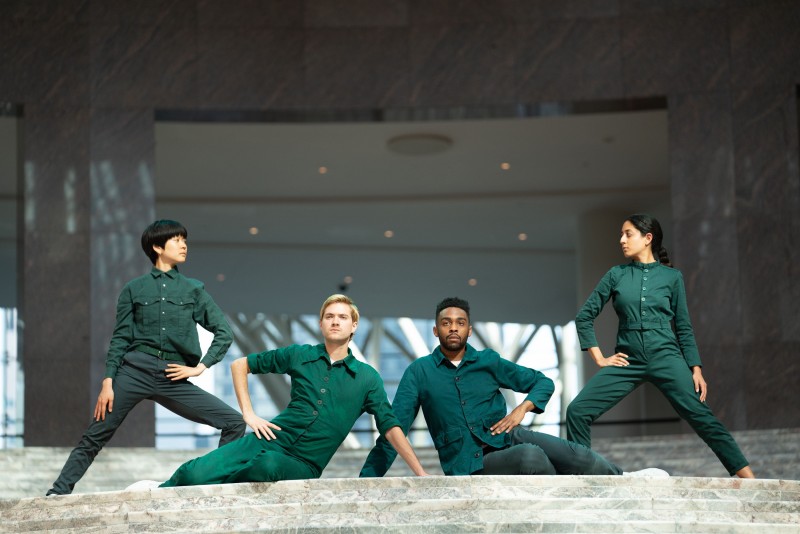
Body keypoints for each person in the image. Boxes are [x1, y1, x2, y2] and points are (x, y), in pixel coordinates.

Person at [47, 220, 246, 496]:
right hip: (133, 371)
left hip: (172, 375)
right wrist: (108, 382)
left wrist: (200, 368)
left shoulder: (193, 290)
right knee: (95, 435)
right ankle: (58, 491)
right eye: (177, 240)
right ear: (157, 246)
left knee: (234, 422)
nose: (184, 245)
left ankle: (216, 488)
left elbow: (224, 332)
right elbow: (120, 338)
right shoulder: (134, 289)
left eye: (184, 240)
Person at [155, 294, 430, 488]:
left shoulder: (367, 378)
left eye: (343, 317)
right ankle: (158, 492)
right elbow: (240, 365)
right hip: (269, 438)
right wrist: (248, 415)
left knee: (266, 467)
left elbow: (390, 426)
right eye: (329, 317)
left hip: (305, 463)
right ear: (320, 324)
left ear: (353, 325)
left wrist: (420, 472)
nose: (336, 321)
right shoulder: (300, 354)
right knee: (194, 473)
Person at [360, 297, 640, 478]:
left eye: (460, 323)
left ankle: (625, 479)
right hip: (469, 463)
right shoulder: (418, 372)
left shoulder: (488, 361)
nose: (453, 328)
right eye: (446, 324)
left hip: (509, 436)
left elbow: (542, 382)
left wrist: (521, 409)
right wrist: (367, 481)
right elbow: (393, 428)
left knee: (573, 453)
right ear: (436, 331)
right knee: (532, 456)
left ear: (470, 330)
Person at [566, 213, 755, 478]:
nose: (621, 240)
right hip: (628, 360)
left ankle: (749, 479)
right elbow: (584, 316)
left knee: (702, 418)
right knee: (577, 410)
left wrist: (695, 368)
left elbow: (684, 326)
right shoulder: (616, 275)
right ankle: (581, 479)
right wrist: (599, 357)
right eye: (621, 234)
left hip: (667, 356)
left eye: (628, 234)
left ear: (648, 238)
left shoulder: (672, 278)